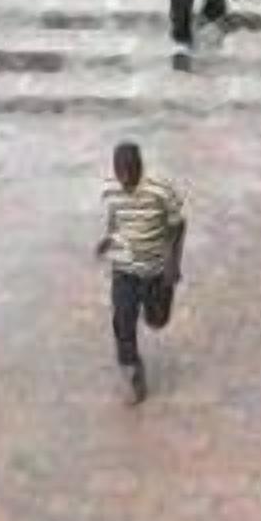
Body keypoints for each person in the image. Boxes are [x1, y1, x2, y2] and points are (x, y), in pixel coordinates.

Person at [95, 141, 186, 405]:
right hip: (124, 268)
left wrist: (173, 262)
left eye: (130, 173)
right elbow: (116, 216)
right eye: (119, 173)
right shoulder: (111, 190)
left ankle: (162, 299)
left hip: (156, 270)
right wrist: (109, 238)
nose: (124, 180)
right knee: (122, 320)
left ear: (140, 167)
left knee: (157, 320)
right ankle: (134, 371)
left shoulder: (160, 191)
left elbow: (178, 225)